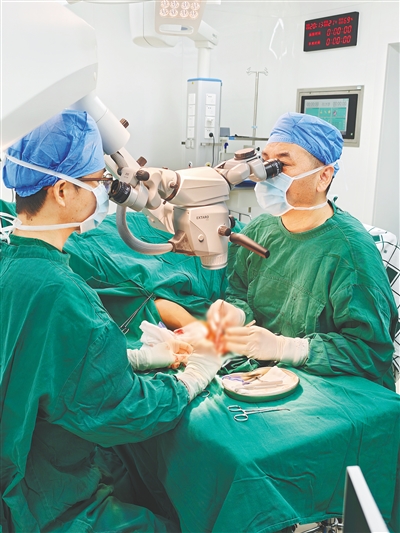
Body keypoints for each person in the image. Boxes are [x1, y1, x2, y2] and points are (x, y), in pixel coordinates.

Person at [0, 110, 221, 532]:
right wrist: (191, 379)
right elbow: (123, 410)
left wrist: (138, 357)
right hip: (44, 502)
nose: (106, 192)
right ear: (62, 190)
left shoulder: (11, 261)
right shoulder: (60, 292)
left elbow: (40, 361)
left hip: (25, 466)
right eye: (99, 181)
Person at [208, 112, 398, 391]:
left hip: (339, 387)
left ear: (323, 177)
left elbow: (371, 352)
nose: (265, 174)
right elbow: (237, 291)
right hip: (266, 374)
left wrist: (288, 348)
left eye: (281, 165)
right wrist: (236, 314)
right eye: (265, 162)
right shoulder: (260, 230)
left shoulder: (351, 252)